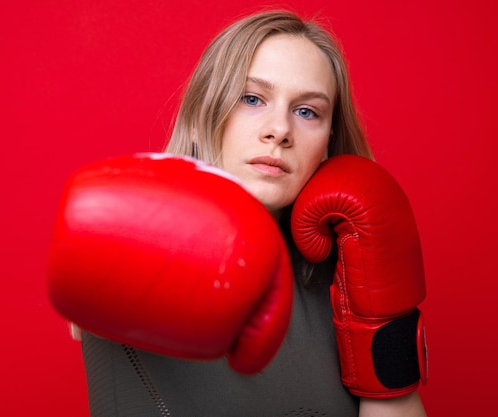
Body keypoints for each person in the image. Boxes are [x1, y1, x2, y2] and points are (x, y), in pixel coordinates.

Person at [48, 9, 428, 417]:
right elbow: (85, 288)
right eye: (252, 98)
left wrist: (382, 325)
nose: (279, 129)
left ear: (327, 141)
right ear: (206, 113)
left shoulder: (345, 274)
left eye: (307, 111)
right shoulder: (138, 239)